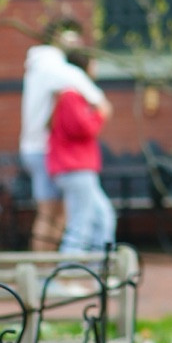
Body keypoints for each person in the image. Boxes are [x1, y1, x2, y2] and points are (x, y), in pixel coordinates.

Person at [20, 23, 106, 251]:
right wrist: (100, 107)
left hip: (34, 147)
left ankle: (48, 274)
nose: (75, 43)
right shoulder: (55, 66)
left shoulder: (37, 65)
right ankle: (49, 274)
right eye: (71, 38)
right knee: (52, 216)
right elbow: (95, 98)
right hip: (44, 150)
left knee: (52, 215)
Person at [46, 48, 116, 253]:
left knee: (102, 216)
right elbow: (81, 128)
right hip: (74, 167)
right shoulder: (70, 95)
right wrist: (101, 114)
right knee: (81, 222)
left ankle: (97, 267)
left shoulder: (75, 94)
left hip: (78, 167)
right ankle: (70, 271)